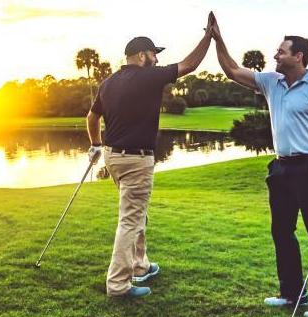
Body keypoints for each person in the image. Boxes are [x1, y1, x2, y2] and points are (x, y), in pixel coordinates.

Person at [207, 13, 308, 317]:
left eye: (281, 51)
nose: (275, 54)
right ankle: (293, 293)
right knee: (281, 231)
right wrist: (217, 40)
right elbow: (232, 71)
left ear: (298, 56)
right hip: (281, 169)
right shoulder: (271, 82)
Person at [85, 13, 215, 299]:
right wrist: (209, 36)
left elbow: (92, 117)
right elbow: (190, 64)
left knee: (136, 212)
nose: (156, 60)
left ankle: (140, 265)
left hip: (113, 158)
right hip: (136, 159)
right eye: (154, 54)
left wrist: (95, 145)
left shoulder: (109, 82)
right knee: (131, 219)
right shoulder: (149, 76)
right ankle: (118, 285)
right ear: (142, 55)